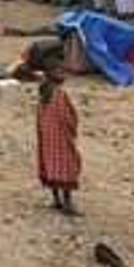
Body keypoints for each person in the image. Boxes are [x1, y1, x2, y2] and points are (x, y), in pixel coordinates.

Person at [36, 68, 82, 215]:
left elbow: (39, 119)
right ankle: (67, 203)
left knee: (51, 166)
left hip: (47, 137)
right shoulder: (60, 95)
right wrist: (72, 130)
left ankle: (56, 200)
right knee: (66, 167)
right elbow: (68, 117)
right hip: (61, 137)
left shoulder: (43, 96)